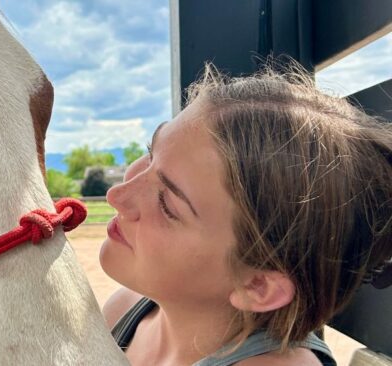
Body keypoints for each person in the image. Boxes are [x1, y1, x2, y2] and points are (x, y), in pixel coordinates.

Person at [100, 63, 392, 366]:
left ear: (257, 286)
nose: (117, 195)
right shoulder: (126, 308)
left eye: (168, 206)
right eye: (150, 153)